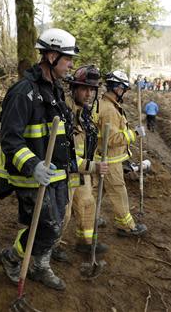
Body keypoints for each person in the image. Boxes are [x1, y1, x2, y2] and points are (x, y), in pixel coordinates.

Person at [0, 28, 78, 291]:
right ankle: (11, 258)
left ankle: (40, 265)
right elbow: (9, 139)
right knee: (49, 228)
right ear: (52, 56)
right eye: (68, 59)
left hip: (57, 176)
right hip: (31, 177)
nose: (71, 65)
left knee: (55, 225)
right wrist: (33, 165)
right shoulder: (23, 92)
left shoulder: (55, 90)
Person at [51, 65, 109, 262]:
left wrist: (97, 161)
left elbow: (86, 145)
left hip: (82, 172)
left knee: (87, 203)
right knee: (64, 213)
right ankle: (51, 246)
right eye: (84, 88)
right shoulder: (62, 110)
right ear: (74, 88)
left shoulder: (85, 113)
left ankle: (85, 242)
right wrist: (92, 167)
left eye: (92, 90)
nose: (88, 94)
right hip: (65, 172)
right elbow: (62, 153)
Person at [92, 70, 147, 237]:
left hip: (102, 157)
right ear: (116, 87)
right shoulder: (109, 109)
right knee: (118, 191)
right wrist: (134, 134)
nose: (124, 92)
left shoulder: (104, 104)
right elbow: (113, 138)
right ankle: (126, 226)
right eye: (123, 88)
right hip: (109, 160)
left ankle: (90, 217)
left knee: (97, 192)